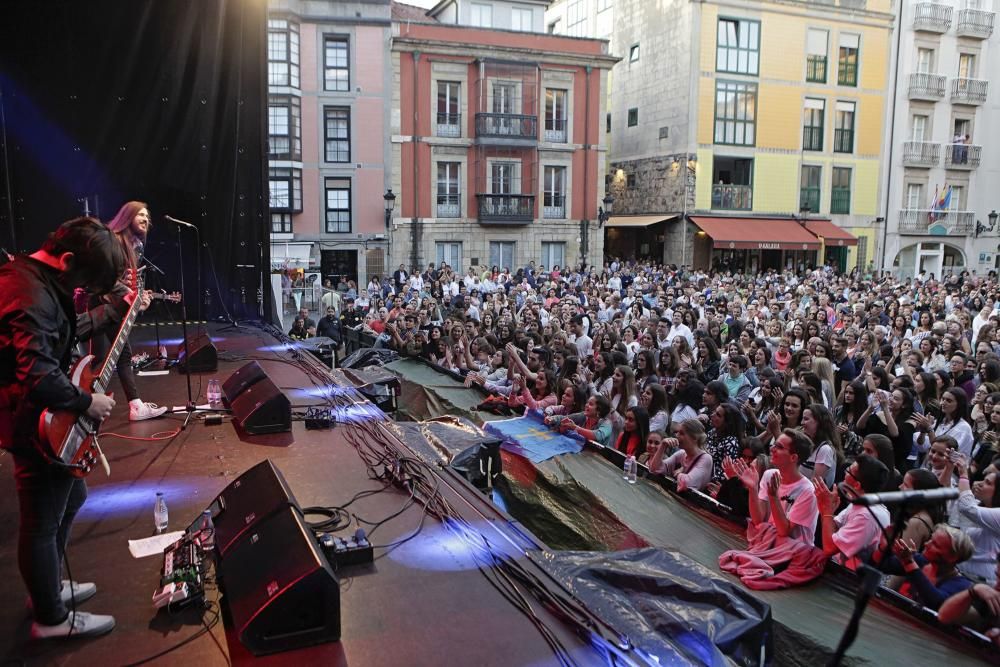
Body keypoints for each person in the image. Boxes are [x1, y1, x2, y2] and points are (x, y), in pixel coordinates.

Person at [0, 217, 126, 639]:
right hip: (31, 426)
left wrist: (110, 312)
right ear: (67, 259)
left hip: (39, 418)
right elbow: (37, 374)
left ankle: (48, 589)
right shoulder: (28, 292)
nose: (85, 293)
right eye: (87, 284)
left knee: (72, 495)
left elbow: (60, 341)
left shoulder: (39, 282)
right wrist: (88, 401)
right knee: (41, 520)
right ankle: (50, 619)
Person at [94, 201, 167, 421]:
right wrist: (127, 293)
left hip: (112, 305)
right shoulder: (113, 241)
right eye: (140, 215)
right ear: (128, 217)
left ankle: (135, 406)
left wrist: (138, 300)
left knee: (121, 356)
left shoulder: (134, 245)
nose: (146, 219)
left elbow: (130, 281)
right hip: (99, 304)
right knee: (96, 358)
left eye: (147, 216)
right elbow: (105, 279)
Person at [728, 429, 819, 545]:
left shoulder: (808, 491)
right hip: (770, 541)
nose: (771, 449)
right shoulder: (769, 475)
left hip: (794, 551)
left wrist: (773, 496)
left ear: (793, 458)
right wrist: (753, 489)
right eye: (774, 444)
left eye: (779, 447)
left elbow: (784, 531)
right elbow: (758, 520)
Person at [812, 454, 891, 570]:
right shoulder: (861, 502)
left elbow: (829, 548)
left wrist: (826, 510)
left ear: (857, 485)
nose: (845, 473)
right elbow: (833, 530)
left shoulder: (867, 515)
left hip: (848, 579)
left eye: (848, 471)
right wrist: (827, 509)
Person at [648, 418, 712, 492]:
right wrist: (662, 446)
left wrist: (679, 474)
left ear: (694, 438)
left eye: (681, 433)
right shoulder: (682, 454)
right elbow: (654, 469)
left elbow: (687, 483)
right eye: (677, 432)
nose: (677, 435)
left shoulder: (706, 458)